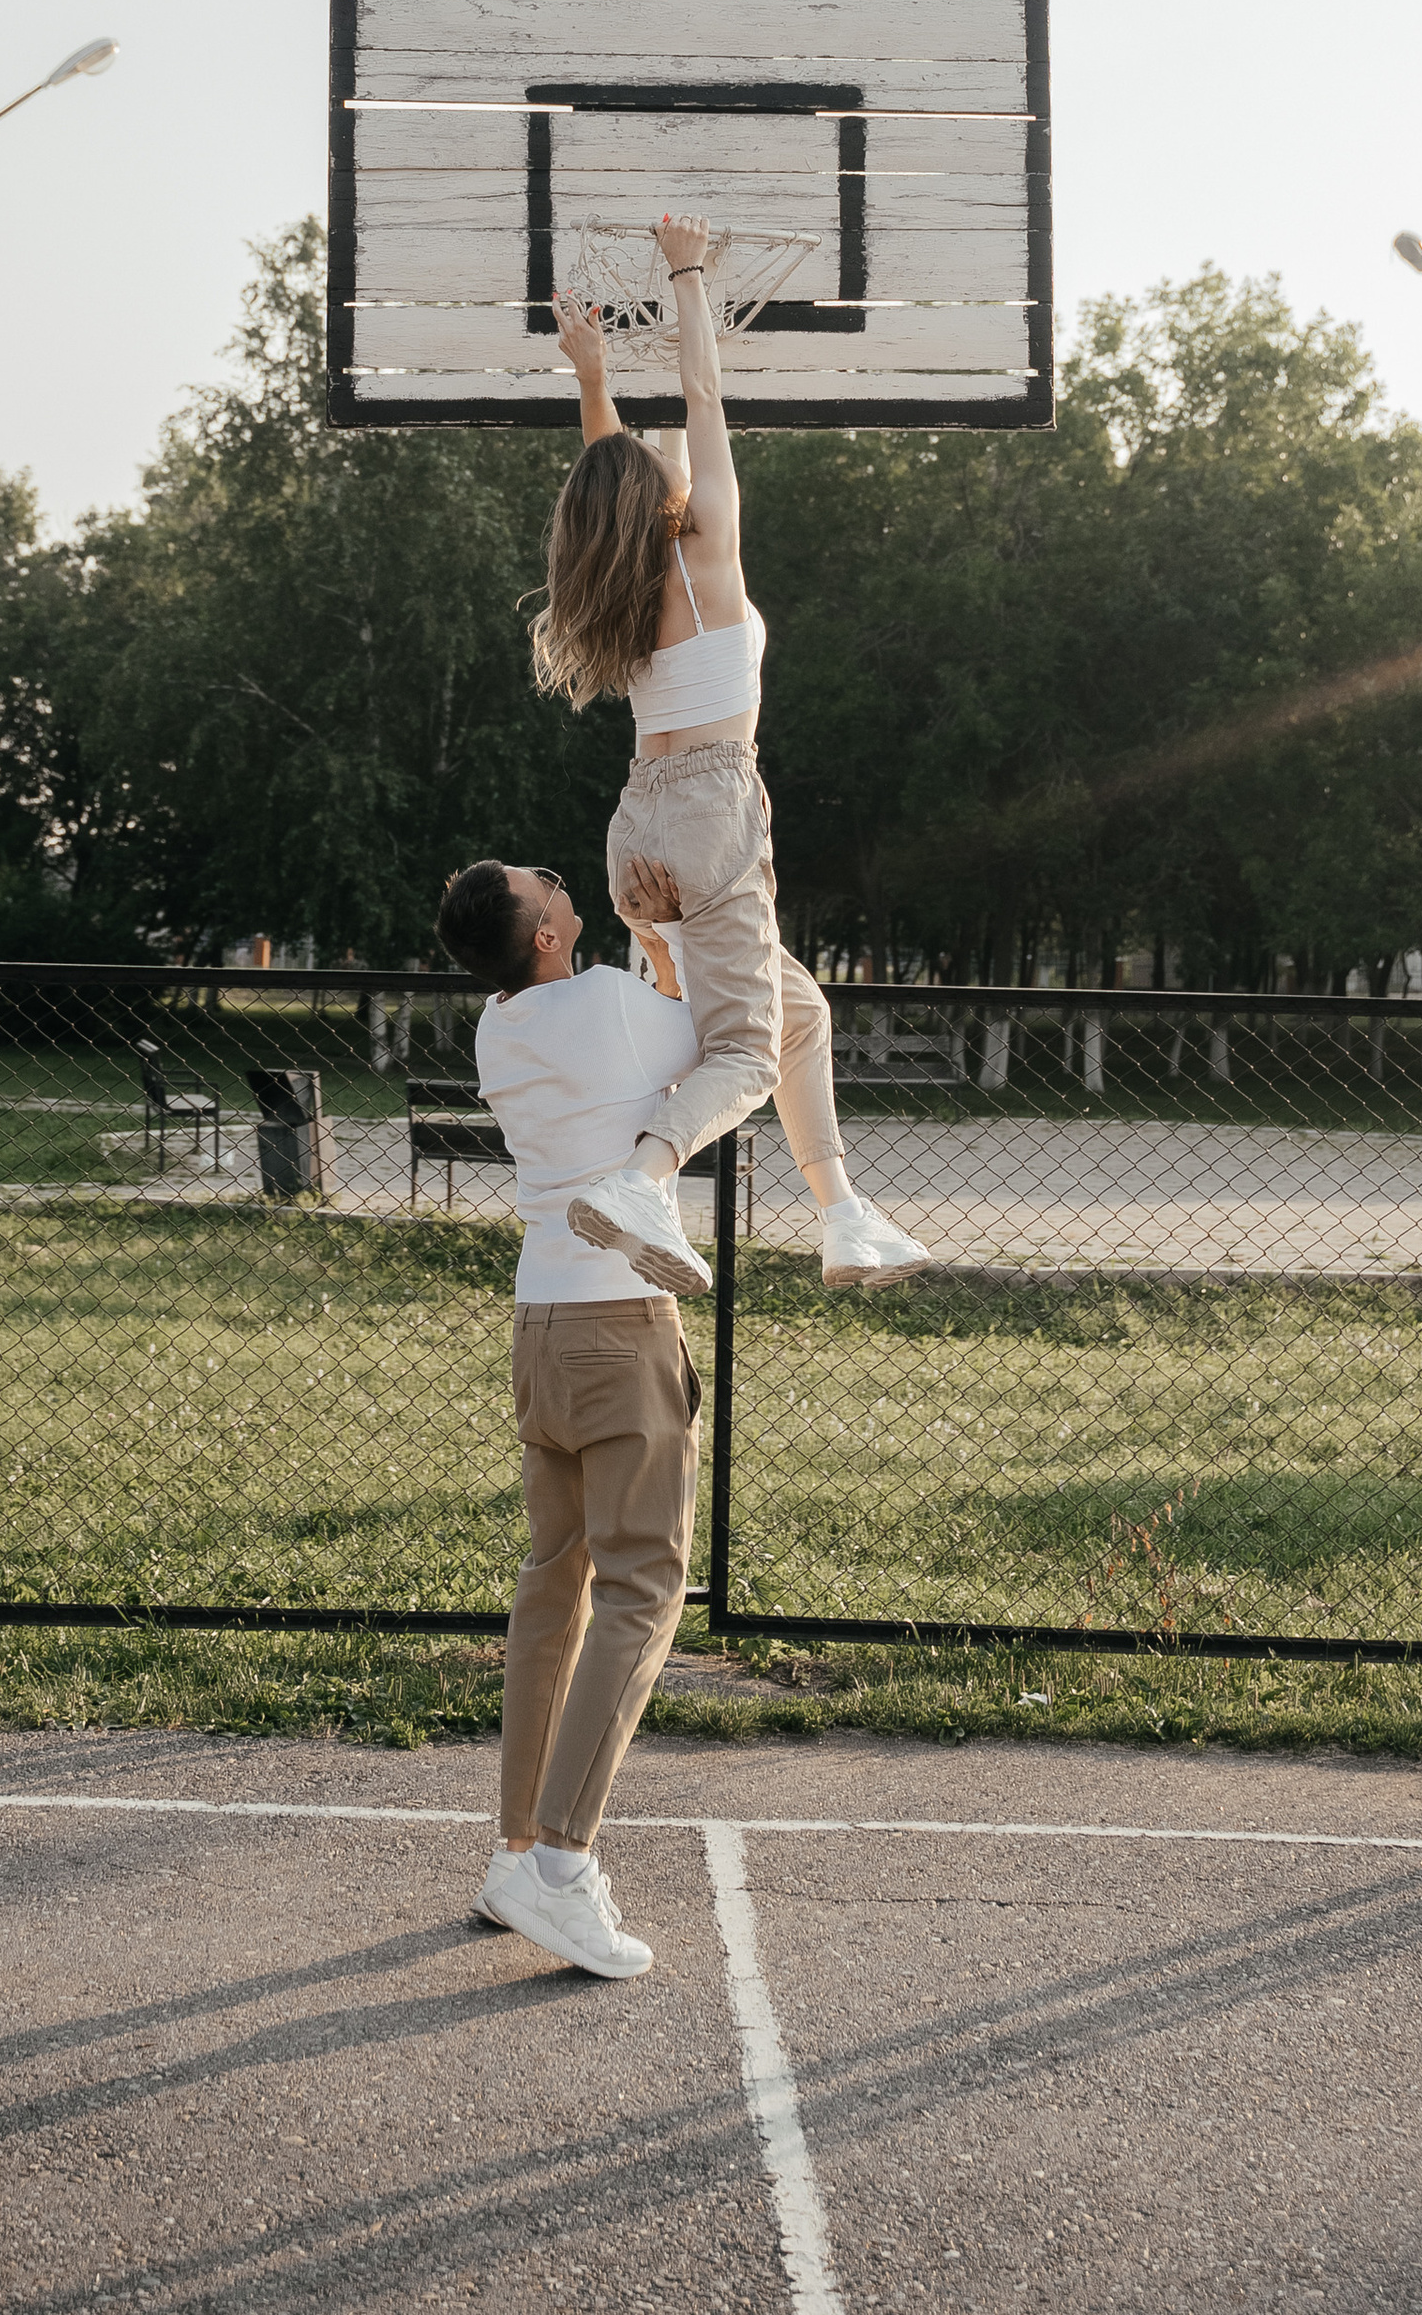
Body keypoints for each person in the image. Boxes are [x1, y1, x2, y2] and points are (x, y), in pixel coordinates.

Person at [532, 214, 927, 1296]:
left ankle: (844, 1216)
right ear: (660, 497)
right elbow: (704, 399)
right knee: (748, 1054)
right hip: (706, 811)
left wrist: (595, 374)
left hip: (640, 830)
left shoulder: (627, 580)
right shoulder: (706, 549)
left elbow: (608, 477)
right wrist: (687, 272)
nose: (670, 457)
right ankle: (642, 1180)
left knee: (800, 1014)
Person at [435, 849, 709, 1980]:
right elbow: (719, 1045)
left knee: (556, 1582)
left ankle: (514, 1854)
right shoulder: (604, 1001)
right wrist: (667, 929)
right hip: (617, 1328)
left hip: (540, 1325)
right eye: (540, 881)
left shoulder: (502, 1028)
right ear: (547, 933)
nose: (554, 875)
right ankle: (559, 1866)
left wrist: (643, 946)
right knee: (642, 1589)